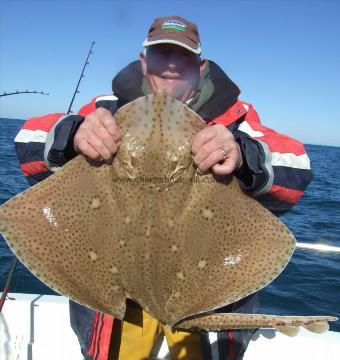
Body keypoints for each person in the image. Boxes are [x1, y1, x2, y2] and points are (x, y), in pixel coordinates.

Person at [14, 15, 312, 360]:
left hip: (207, 295)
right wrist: (71, 134)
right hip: (113, 298)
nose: (170, 65)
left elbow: (298, 166)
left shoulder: (237, 118)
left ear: (200, 66)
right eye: (160, 54)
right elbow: (27, 139)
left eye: (182, 56)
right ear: (144, 62)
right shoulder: (102, 109)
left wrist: (244, 153)